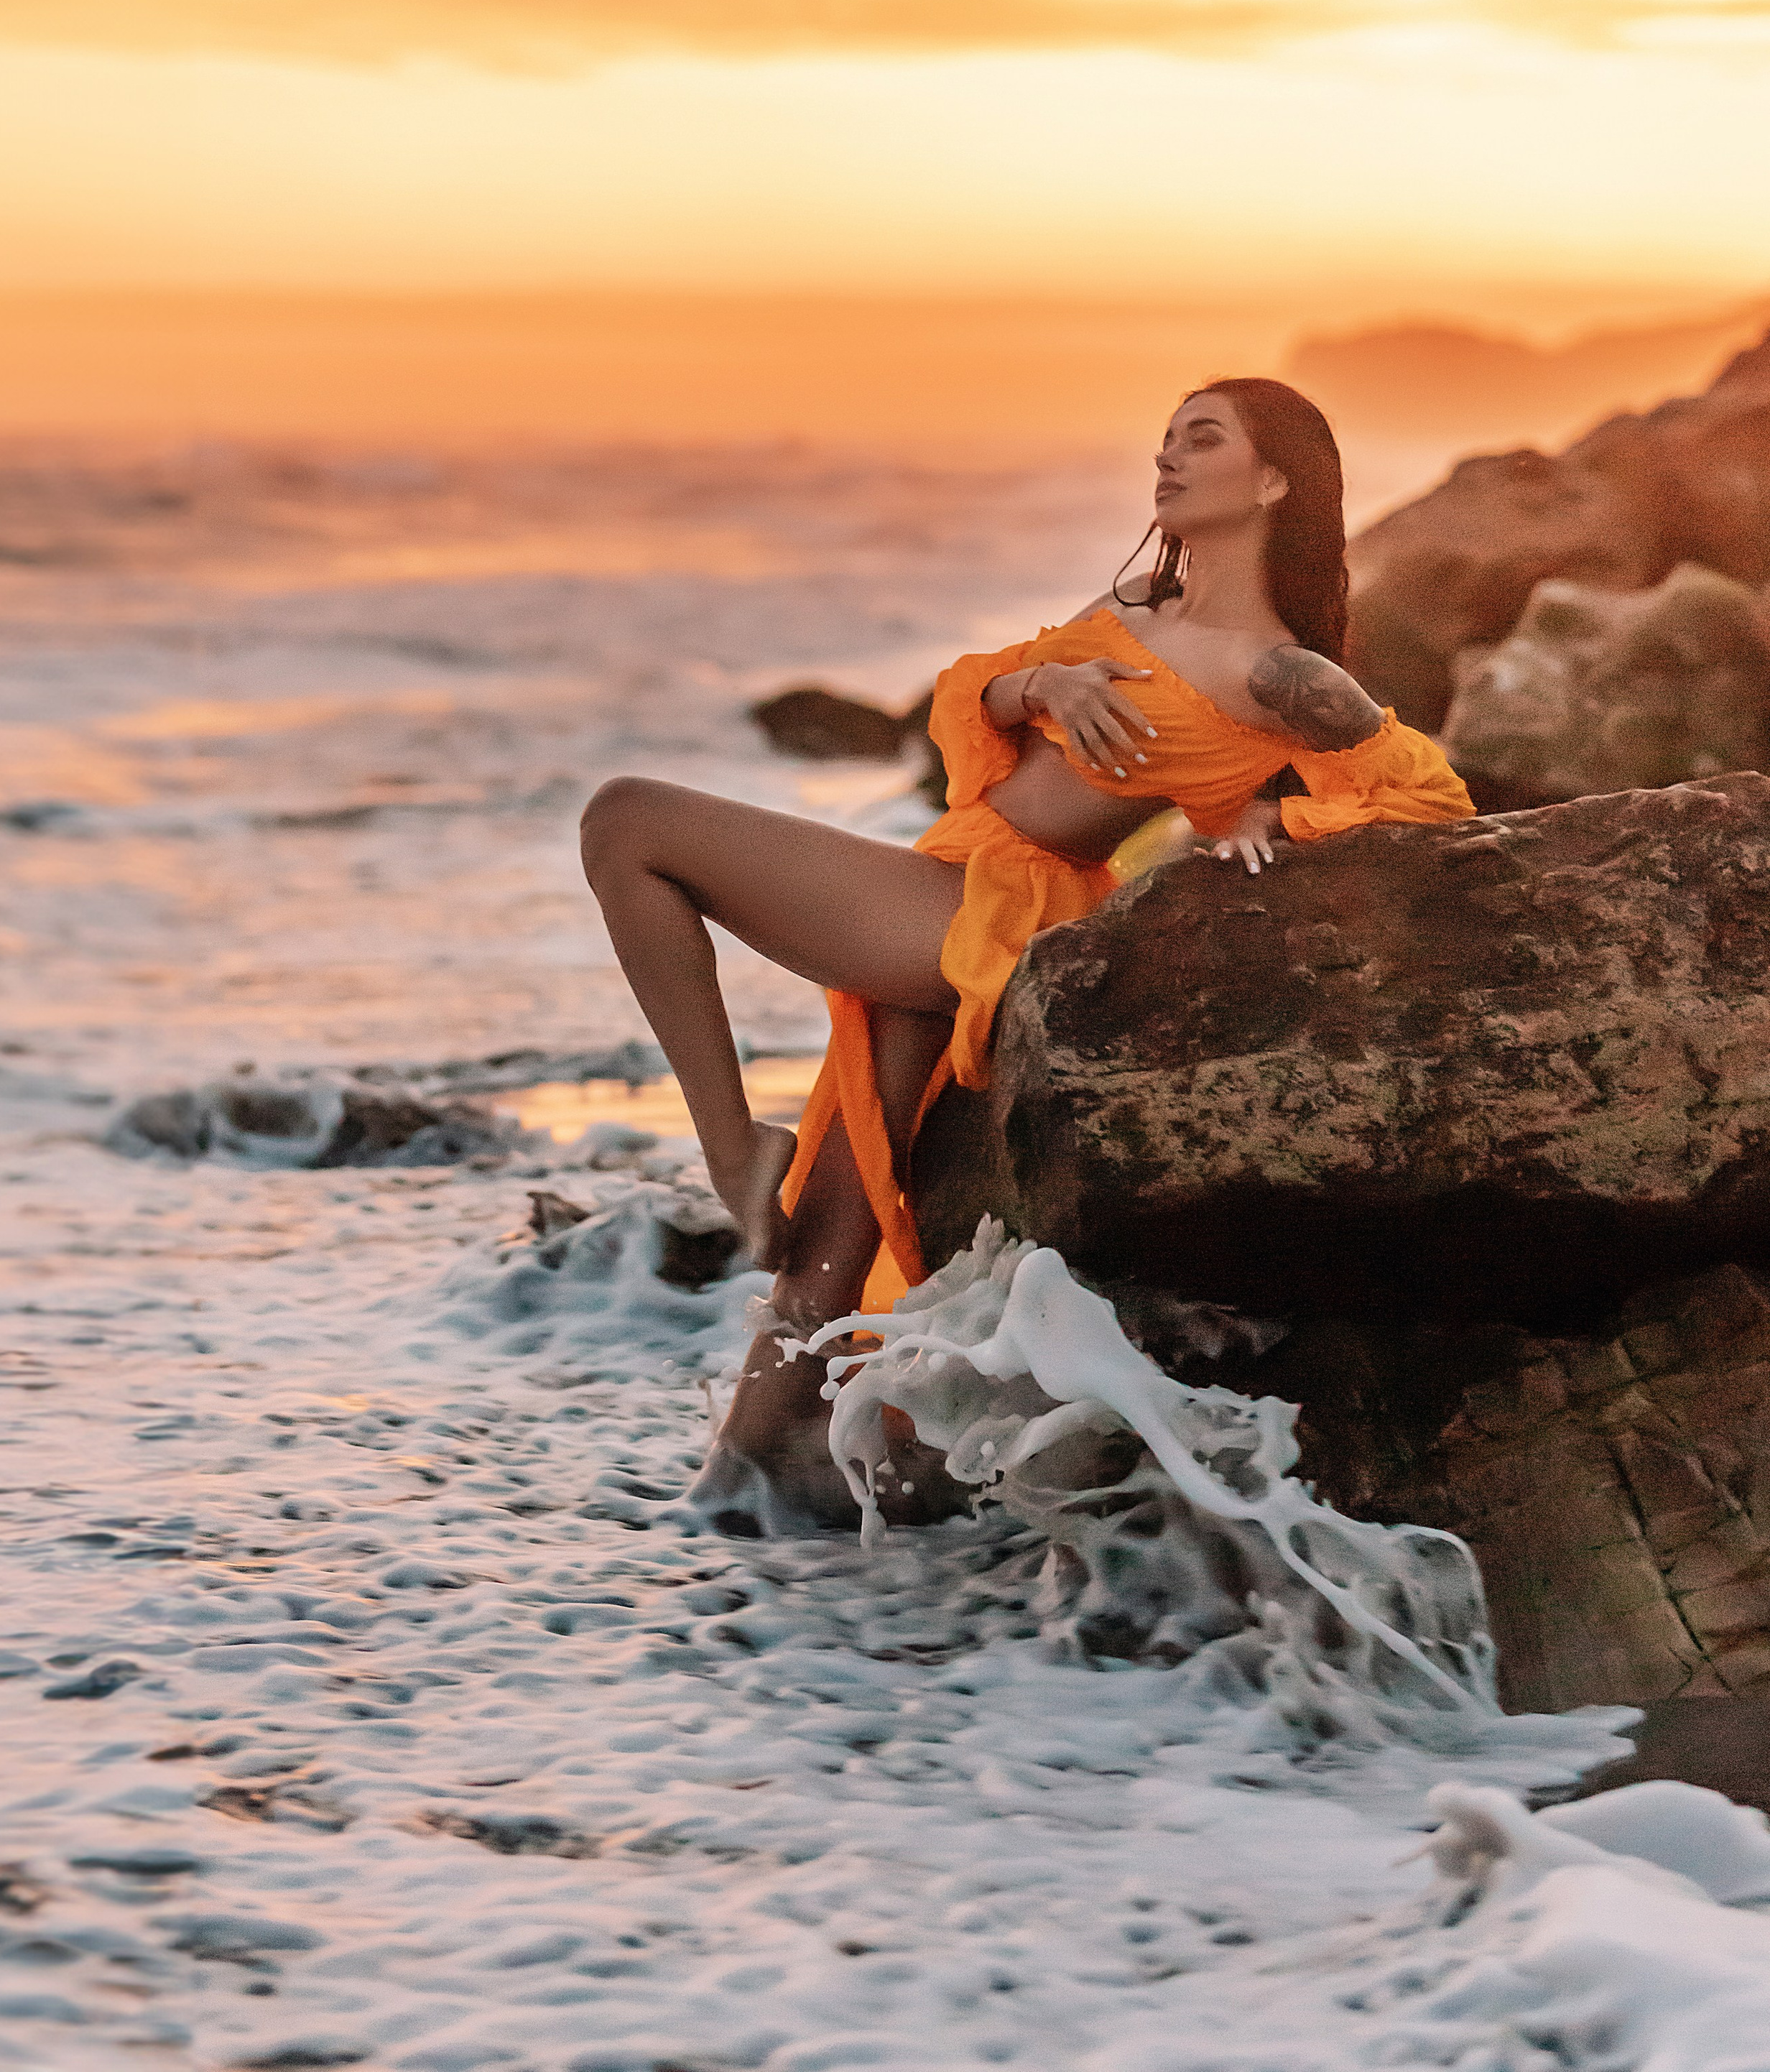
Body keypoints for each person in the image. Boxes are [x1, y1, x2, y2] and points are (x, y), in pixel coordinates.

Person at [580, 379, 1473, 1529]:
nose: (1167, 457)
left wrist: (1274, 818)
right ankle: (779, 1504)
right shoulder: (1140, 606)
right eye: (1164, 437)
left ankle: (728, 1151)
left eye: (1202, 440)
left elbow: (1425, 797)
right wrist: (1039, 682)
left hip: (981, 917)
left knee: (628, 822)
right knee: (826, 1261)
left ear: (1273, 481)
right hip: (949, 881)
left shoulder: (1281, 673)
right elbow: (970, 696)